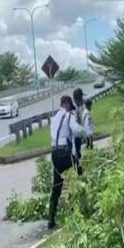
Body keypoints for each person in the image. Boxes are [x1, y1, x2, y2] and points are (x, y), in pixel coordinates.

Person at [48, 95, 85, 229]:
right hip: (65, 153)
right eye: (70, 105)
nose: (70, 108)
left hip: (55, 153)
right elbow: (75, 129)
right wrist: (85, 131)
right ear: (67, 104)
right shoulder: (69, 116)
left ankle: (51, 220)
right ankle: (75, 213)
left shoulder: (53, 118)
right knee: (75, 180)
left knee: (57, 185)